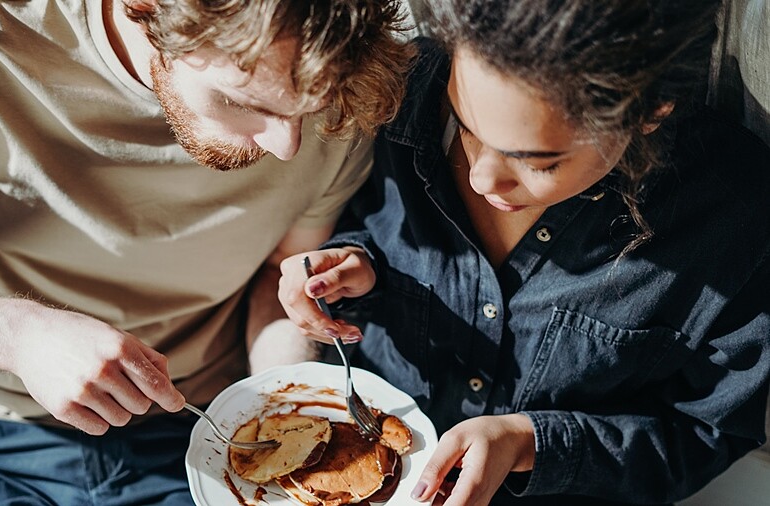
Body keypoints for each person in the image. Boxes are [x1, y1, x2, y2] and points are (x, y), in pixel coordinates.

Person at [0, 0, 413, 503]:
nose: (287, 146)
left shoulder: (336, 84)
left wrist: (280, 404)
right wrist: (19, 337)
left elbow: (278, 277)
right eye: (244, 102)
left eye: (307, 111)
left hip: (206, 430)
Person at [277, 0, 770, 504]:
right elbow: (373, 226)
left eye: (536, 162)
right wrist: (354, 263)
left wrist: (529, 443)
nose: (481, 177)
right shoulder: (406, 89)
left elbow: (709, 430)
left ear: (651, 109)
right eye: (464, 126)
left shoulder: (731, 217)